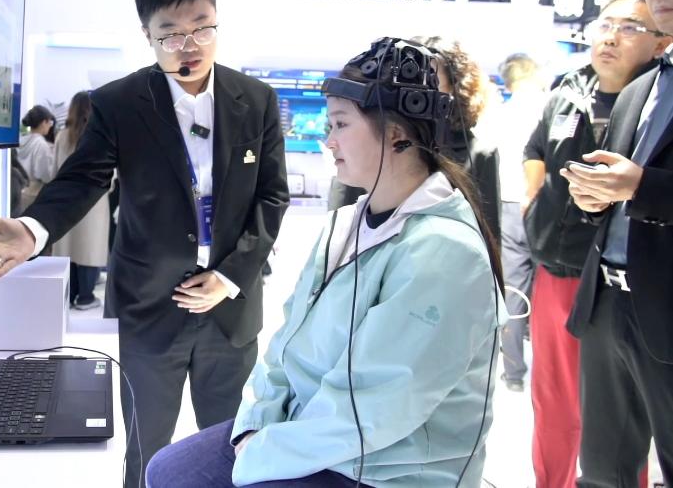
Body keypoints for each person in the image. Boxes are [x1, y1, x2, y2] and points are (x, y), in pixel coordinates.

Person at [0, 0, 288, 488]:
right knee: (145, 446)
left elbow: (272, 196)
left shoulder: (255, 99)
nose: (189, 46)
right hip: (150, 305)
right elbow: (83, 178)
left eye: (202, 28)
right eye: (171, 34)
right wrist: (35, 227)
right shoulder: (120, 103)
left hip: (230, 309)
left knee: (232, 446)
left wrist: (230, 276)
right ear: (147, 34)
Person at [145, 37, 501, 488]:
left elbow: (379, 406)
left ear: (396, 134)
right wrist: (257, 421)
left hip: (387, 468)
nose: (328, 141)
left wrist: (268, 451)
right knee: (166, 470)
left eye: (341, 124)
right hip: (314, 433)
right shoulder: (345, 225)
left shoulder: (445, 252)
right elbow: (287, 344)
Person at [523, 0, 670, 488]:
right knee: (558, 406)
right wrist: (536, 200)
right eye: (605, 25)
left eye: (629, 27)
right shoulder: (572, 89)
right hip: (568, 274)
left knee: (629, 423)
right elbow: (535, 149)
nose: (610, 37)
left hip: (640, 285)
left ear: (658, 42)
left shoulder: (650, 97)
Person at [562, 0, 673, 484]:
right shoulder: (639, 89)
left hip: (668, 308)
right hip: (607, 303)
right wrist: (594, 198)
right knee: (602, 471)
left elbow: (641, 185)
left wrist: (640, 187)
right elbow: (618, 190)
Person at [328, 37, 502, 245]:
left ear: (454, 90)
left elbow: (490, 232)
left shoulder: (479, 153)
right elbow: (341, 211)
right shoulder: (367, 149)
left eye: (431, 80)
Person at [480, 53, 549, 392]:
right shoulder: (552, 108)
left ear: (507, 82)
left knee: (513, 290)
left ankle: (514, 374)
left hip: (508, 207)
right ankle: (549, 370)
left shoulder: (500, 115)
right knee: (550, 287)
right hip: (549, 207)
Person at [51, 91, 110, 311]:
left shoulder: (62, 135)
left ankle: (70, 294)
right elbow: (111, 174)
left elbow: (54, 169)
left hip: (65, 199)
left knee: (69, 248)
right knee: (89, 249)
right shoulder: (100, 135)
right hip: (94, 202)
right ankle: (86, 297)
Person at [17, 105, 57, 212]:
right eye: (50, 122)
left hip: (19, 191)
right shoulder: (41, 144)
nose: (50, 126)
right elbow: (45, 175)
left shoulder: (20, 141)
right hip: (34, 195)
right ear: (44, 122)